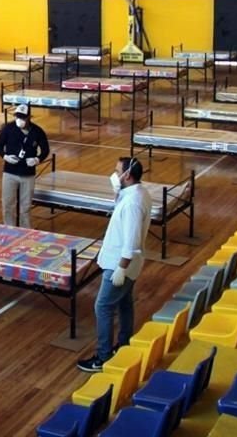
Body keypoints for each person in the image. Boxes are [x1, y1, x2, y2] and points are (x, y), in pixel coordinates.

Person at [77, 157, 152, 373]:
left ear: (127, 175)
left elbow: (131, 242)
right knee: (124, 303)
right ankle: (125, 342)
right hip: (124, 263)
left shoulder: (132, 203)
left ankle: (103, 356)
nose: (114, 173)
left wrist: (121, 268)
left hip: (120, 265)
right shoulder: (135, 193)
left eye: (117, 170)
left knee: (103, 306)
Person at [0, 103, 49, 227]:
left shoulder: (37, 131)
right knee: (7, 204)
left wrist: (37, 159)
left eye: (23, 117)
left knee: (25, 207)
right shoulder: (8, 128)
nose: (20, 120)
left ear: (29, 117)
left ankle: (26, 230)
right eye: (17, 117)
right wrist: (5, 156)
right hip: (9, 173)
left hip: (28, 174)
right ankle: (9, 228)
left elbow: (45, 150)